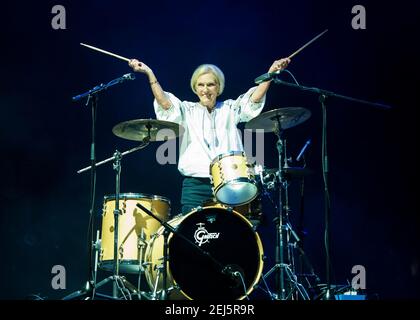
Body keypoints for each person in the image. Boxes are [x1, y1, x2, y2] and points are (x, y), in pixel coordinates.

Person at [128, 57, 290, 215]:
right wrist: (150, 73)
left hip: (231, 184)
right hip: (195, 186)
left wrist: (271, 73)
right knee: (194, 234)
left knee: (232, 234)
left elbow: (253, 100)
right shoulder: (187, 110)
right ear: (195, 88)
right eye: (201, 85)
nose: (205, 90)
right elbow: (165, 103)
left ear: (218, 88)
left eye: (211, 85)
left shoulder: (229, 109)